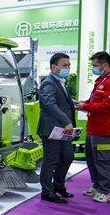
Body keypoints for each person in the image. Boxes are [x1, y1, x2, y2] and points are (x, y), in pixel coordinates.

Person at [37, 53, 76, 203]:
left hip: (62, 129)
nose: (68, 68)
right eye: (64, 65)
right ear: (54, 67)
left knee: (67, 156)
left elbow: (60, 102)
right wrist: (66, 121)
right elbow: (49, 104)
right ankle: (47, 192)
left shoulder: (60, 81)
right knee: (51, 160)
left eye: (69, 65)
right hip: (51, 129)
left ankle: (58, 186)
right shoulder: (49, 83)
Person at [75, 51, 110, 203]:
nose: (94, 68)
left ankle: (106, 191)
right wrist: (83, 104)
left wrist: (86, 106)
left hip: (104, 131)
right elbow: (94, 101)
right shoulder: (100, 80)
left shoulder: (109, 82)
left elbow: (106, 105)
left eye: (95, 65)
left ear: (105, 65)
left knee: (103, 161)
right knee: (91, 159)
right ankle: (97, 186)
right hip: (93, 128)